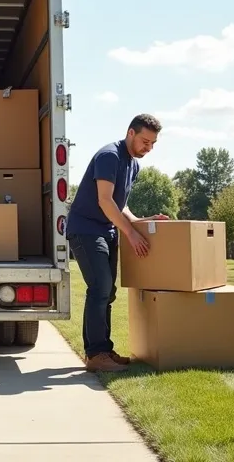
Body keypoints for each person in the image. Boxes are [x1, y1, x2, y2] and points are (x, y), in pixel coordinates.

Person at [64, 114, 169, 373]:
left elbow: (121, 206)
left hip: (107, 230)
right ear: (130, 133)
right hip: (86, 230)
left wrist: (141, 221)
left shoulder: (133, 165)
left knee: (107, 292)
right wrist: (131, 235)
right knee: (100, 287)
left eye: (153, 143)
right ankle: (96, 354)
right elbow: (104, 201)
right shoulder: (109, 156)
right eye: (145, 141)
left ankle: (102, 350)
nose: (149, 148)